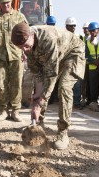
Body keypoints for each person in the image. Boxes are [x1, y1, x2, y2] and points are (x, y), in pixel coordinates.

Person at [11, 22, 86, 150]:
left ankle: (63, 131)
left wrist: (40, 102)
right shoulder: (28, 47)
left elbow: (51, 75)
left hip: (73, 53)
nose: (24, 50)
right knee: (40, 95)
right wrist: (38, 95)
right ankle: (38, 124)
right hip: (58, 56)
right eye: (21, 47)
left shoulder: (48, 39)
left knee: (64, 87)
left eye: (26, 45)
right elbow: (39, 76)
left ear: (32, 35)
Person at [65, 17, 83, 110]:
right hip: (66, 63)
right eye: (70, 26)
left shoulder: (79, 36)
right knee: (66, 85)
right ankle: (66, 103)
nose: (73, 28)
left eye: (74, 26)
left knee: (77, 84)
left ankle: (76, 102)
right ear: (66, 26)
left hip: (76, 63)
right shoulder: (63, 36)